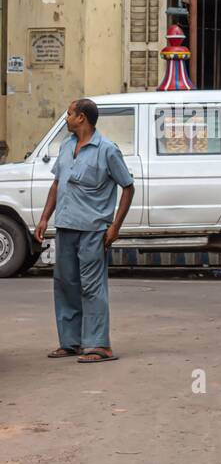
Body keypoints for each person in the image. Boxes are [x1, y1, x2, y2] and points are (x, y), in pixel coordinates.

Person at [34, 98, 135, 363]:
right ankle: (71, 342)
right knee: (65, 285)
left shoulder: (107, 150)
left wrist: (115, 226)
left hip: (93, 230)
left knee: (92, 288)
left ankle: (100, 345)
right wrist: (45, 218)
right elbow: (57, 184)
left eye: (69, 114)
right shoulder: (67, 147)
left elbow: (128, 187)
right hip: (65, 226)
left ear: (81, 118)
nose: (65, 118)